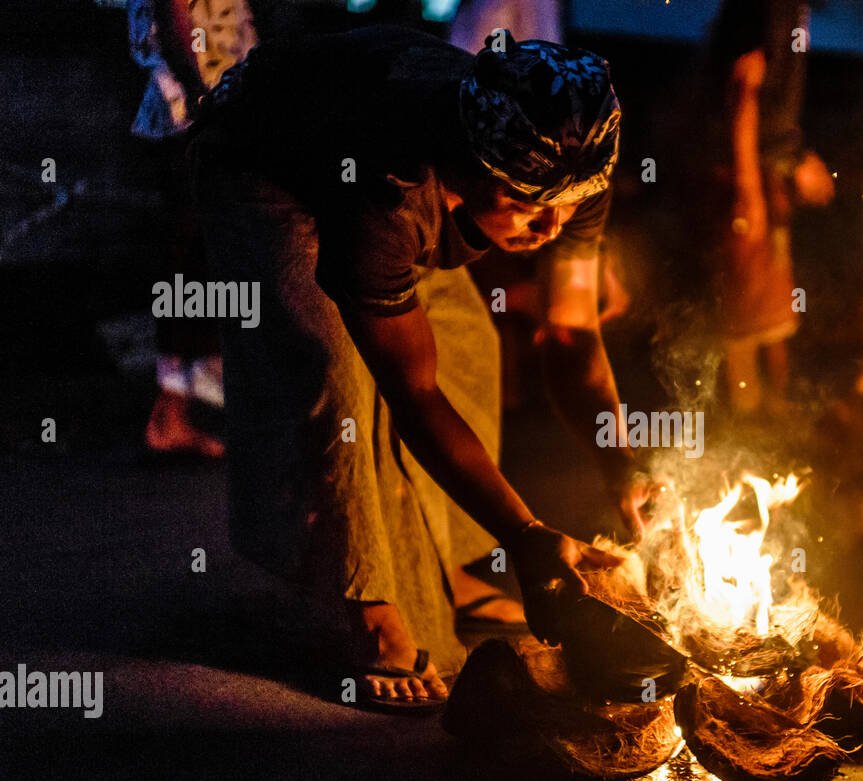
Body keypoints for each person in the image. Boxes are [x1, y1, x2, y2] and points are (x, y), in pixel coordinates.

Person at [188, 26, 654, 711]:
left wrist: (623, 466)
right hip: (266, 163)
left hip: (372, 154)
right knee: (331, 374)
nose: (551, 226)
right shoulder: (389, 191)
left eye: (566, 205)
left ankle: (452, 561)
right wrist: (526, 534)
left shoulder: (568, 161)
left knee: (469, 344)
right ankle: (365, 604)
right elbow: (413, 391)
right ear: (471, 169)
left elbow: (570, 332)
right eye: (526, 206)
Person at [128, 0, 260, 456]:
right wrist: (201, 97)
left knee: (198, 258)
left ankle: (178, 407)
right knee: (194, 259)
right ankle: (173, 410)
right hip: (190, 111)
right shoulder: (196, 103)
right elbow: (172, 13)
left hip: (206, 106)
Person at [706, 0, 834, 416]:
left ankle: (775, 410)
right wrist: (748, 191)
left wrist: (795, 162)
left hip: (766, 174)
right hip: (743, 176)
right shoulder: (766, 8)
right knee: (744, 314)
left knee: (774, 308)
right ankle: (744, 417)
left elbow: (774, 114)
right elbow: (745, 90)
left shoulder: (791, 8)